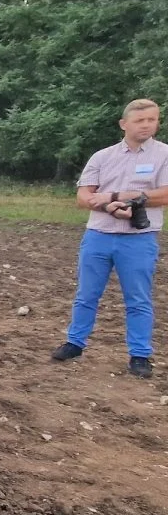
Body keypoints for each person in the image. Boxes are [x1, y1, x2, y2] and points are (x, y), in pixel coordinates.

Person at [51, 98, 168, 378]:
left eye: (152, 120)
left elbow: (165, 193)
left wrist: (118, 195)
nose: (146, 125)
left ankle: (139, 355)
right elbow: (83, 197)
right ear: (123, 124)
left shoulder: (164, 155)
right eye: (140, 121)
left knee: (138, 299)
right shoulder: (102, 157)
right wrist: (106, 205)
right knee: (86, 294)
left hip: (139, 238)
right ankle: (75, 342)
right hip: (99, 235)